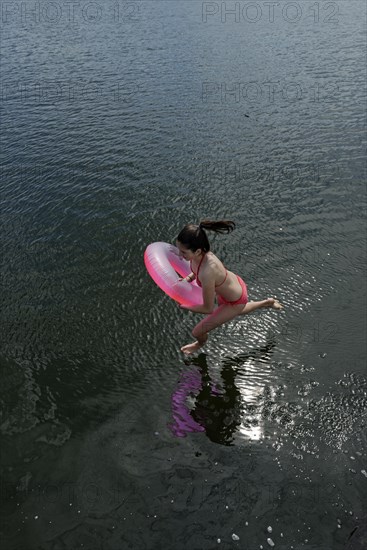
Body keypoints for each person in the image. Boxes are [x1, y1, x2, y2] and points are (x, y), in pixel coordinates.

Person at [176, 219, 283, 355]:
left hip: (236, 300)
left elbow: (208, 308)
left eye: (183, 252)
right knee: (235, 310)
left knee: (197, 331)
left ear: (197, 251)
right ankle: (267, 302)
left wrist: (184, 305)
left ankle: (199, 344)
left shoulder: (208, 271)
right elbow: (196, 271)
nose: (180, 255)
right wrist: (187, 279)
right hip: (232, 287)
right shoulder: (201, 254)